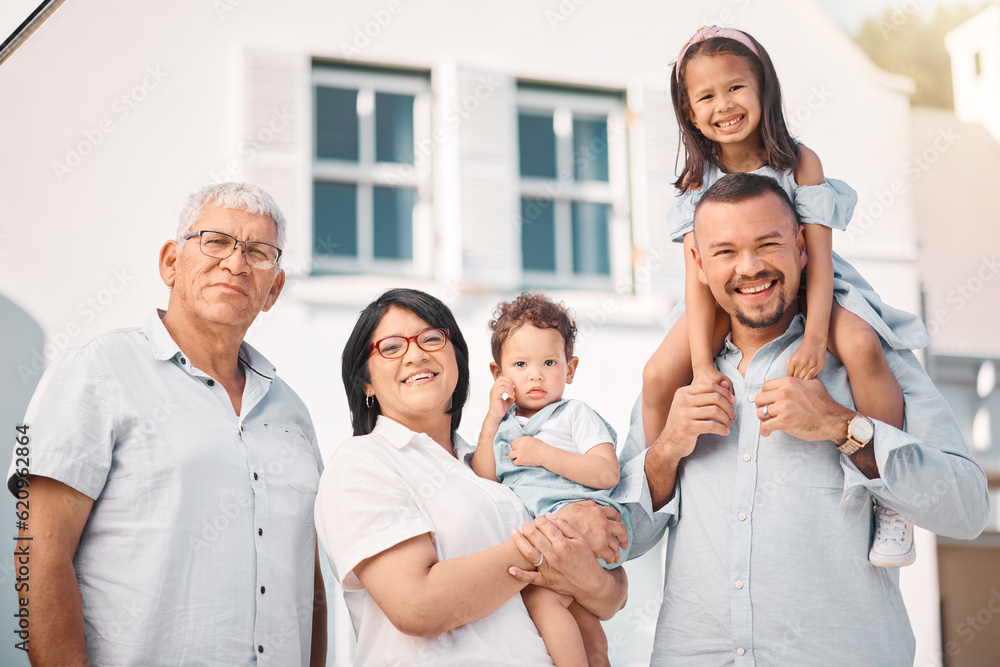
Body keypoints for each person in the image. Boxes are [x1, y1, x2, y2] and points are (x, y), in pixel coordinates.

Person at [618, 172, 990, 665]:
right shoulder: (681, 379)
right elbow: (627, 536)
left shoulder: (871, 359)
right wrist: (666, 450)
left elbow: (966, 508)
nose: (749, 268)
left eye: (768, 244)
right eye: (725, 251)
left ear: (802, 246)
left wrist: (843, 427)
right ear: (698, 263)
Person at [640, 25, 930, 567]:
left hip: (809, 285)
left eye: (736, 88)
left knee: (864, 347)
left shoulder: (799, 162)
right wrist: (703, 365)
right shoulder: (694, 184)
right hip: (729, 297)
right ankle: (662, 499)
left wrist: (817, 335)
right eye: (706, 96)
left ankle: (890, 498)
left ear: (763, 89)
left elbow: (817, 256)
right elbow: (698, 282)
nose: (723, 106)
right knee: (658, 376)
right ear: (688, 110)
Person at [7, 183, 327, 666]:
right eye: (216, 241)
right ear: (171, 263)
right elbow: (37, 550)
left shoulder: (293, 412)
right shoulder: (96, 371)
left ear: (273, 290)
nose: (236, 264)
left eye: (258, 253)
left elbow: (310, 580)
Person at [313, 288, 628, 667]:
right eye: (391, 347)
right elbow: (418, 605)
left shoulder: (494, 462)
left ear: (457, 359)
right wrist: (558, 536)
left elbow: (612, 597)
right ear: (365, 382)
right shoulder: (363, 463)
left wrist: (593, 575)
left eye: (432, 338)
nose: (415, 354)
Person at [471, 291, 630, 667]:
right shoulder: (503, 427)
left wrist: (543, 454)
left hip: (581, 526)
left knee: (543, 600)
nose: (535, 374)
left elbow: (607, 472)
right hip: (548, 536)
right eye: (521, 364)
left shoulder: (573, 414)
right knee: (585, 624)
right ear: (498, 374)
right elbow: (482, 478)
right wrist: (492, 419)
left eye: (548, 362)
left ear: (570, 368)